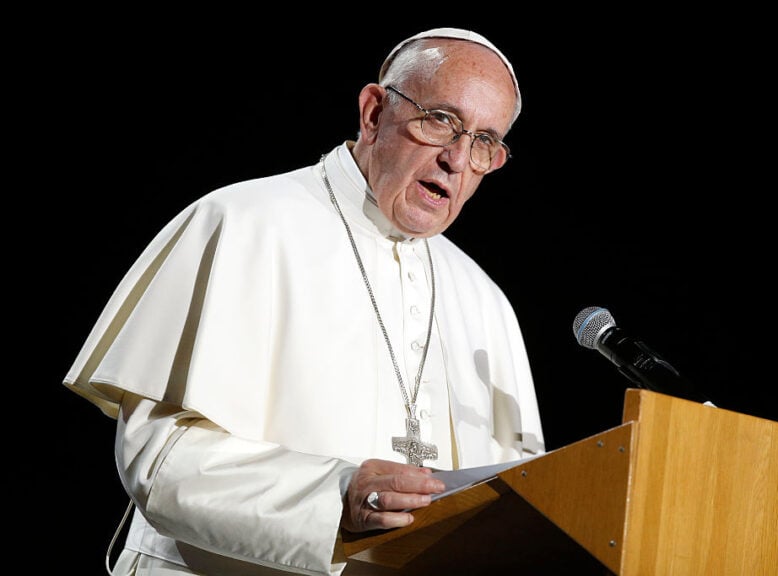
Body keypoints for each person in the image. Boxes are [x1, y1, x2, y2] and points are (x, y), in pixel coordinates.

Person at [64, 27, 545, 575]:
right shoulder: (243, 223)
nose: (457, 160)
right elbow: (162, 459)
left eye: (484, 142)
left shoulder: (485, 301)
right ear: (372, 113)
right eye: (441, 121)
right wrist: (335, 495)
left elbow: (517, 506)